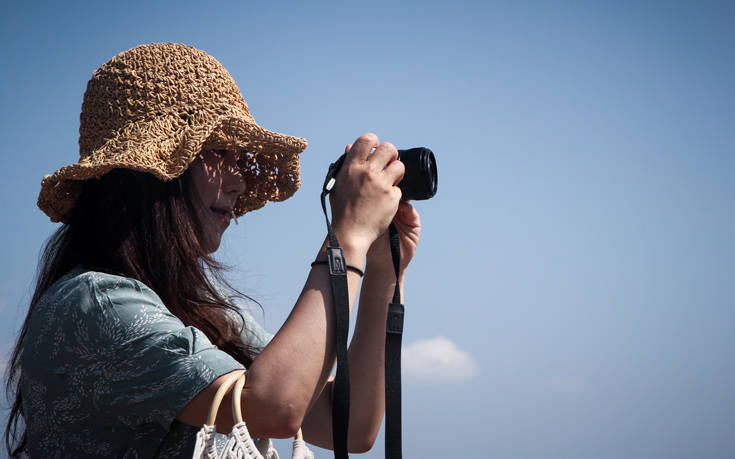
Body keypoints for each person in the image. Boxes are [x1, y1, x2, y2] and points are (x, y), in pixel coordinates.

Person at [3, 43, 421, 458]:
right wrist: (346, 237)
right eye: (218, 152)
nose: (239, 180)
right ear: (153, 170)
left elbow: (349, 426)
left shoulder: (203, 315)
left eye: (240, 157)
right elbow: (274, 406)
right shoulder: (94, 304)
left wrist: (384, 271)